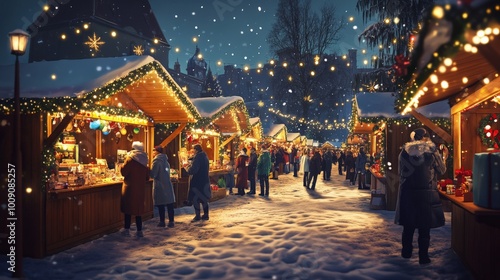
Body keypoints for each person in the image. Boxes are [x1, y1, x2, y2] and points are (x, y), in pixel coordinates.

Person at [395, 128, 448, 265]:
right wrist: (444, 157)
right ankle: (423, 257)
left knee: (408, 225)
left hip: (408, 193)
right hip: (426, 193)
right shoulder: (432, 152)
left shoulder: (404, 152)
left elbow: (401, 172)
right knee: (424, 227)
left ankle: (406, 252)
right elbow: (442, 170)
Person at [120, 141, 149, 237]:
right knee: (138, 210)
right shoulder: (145, 159)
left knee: (128, 209)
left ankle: (127, 229)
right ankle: (139, 230)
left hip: (130, 187)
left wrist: (121, 166)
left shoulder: (130, 159)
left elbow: (124, 172)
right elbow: (147, 176)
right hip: (140, 188)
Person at [150, 145, 176, 228]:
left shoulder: (156, 161)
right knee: (169, 204)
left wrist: (149, 171)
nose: (153, 153)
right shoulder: (166, 161)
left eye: (154, 151)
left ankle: (162, 221)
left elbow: (153, 174)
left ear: (157, 152)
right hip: (167, 184)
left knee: (161, 204)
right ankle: (171, 221)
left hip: (160, 185)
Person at [185, 144, 211, 222]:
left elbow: (193, 170)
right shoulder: (205, 156)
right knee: (204, 198)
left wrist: (187, 168)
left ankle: (197, 215)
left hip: (197, 181)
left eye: (193, 150)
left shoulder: (198, 157)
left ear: (196, 150)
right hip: (204, 180)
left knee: (196, 198)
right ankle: (206, 214)